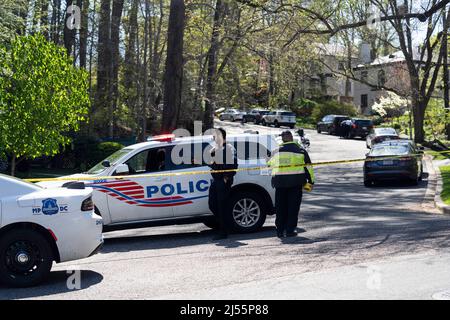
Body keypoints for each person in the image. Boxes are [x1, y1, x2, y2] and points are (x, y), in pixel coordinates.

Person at [267, 131, 315, 238]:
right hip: (296, 184)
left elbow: (268, 164)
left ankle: (280, 230)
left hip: (280, 184)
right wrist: (311, 181)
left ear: (282, 139)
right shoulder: (301, 150)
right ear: (291, 138)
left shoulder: (275, 151)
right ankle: (290, 230)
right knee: (293, 208)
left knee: (280, 208)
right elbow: (309, 168)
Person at [207, 128, 238, 240]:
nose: (213, 138)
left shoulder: (229, 148)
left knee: (222, 206)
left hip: (223, 181)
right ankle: (226, 226)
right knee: (212, 204)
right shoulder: (216, 148)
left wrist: (226, 177)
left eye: (215, 136)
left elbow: (233, 165)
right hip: (216, 180)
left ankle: (223, 231)